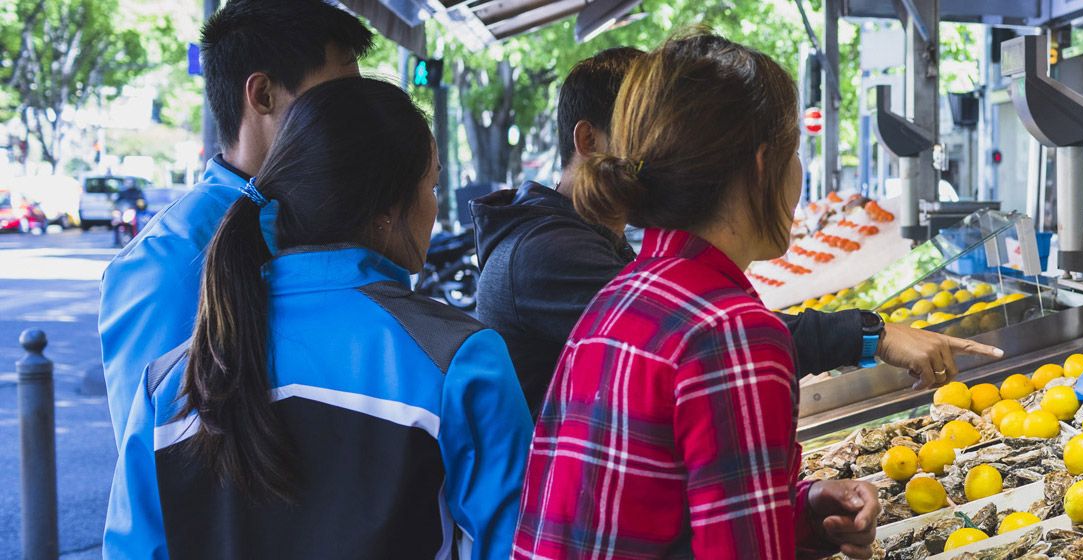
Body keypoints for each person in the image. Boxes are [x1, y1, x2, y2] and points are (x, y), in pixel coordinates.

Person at [104, 78, 530, 559]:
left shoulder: (166, 387)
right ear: (388, 210)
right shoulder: (459, 360)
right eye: (430, 185)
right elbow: (514, 545)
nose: (434, 205)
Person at [513, 32, 878, 559]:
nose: (799, 176)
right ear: (761, 165)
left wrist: (801, 511)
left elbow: (660, 509)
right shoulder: (732, 332)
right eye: (794, 152)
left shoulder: (623, 294)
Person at [473, 47, 1000, 411]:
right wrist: (868, 334)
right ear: (761, 165)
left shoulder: (629, 263)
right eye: (648, 138)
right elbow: (723, 345)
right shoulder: (549, 255)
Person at [99, 0, 371, 442]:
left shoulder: (330, 217)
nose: (357, 118)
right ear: (262, 95)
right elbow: (156, 458)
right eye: (339, 98)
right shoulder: (170, 258)